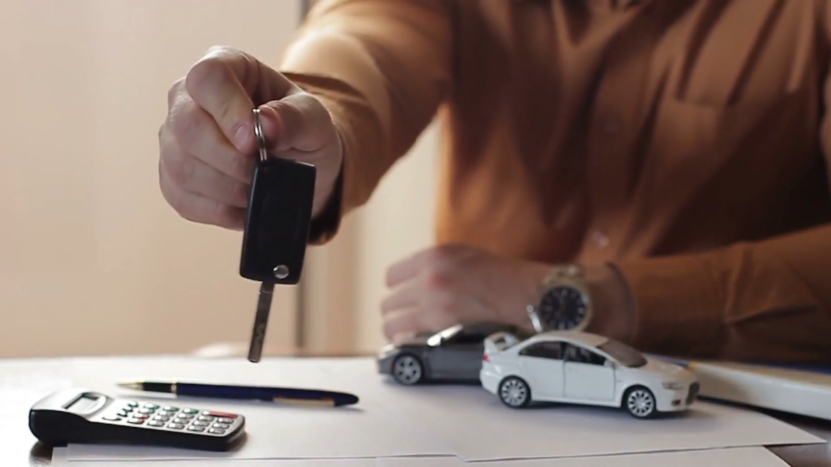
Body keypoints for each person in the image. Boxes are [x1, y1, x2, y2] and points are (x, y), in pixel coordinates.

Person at [157, 0, 831, 362]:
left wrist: (596, 301)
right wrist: (316, 123)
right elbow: (365, 40)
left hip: (741, 411)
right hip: (476, 403)